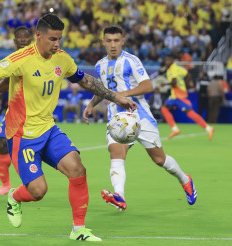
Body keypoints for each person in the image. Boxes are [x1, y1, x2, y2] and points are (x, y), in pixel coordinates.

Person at [0, 14, 136, 242]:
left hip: (48, 129)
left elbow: (85, 80)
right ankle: (14, 197)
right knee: (38, 191)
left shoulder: (61, 58)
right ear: (38, 35)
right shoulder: (22, 58)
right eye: (52, 39)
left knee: (78, 169)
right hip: (22, 135)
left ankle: (78, 229)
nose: (57, 44)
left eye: (59, 39)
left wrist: (116, 97)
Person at [83, 25, 197, 213]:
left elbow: (148, 85)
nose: (113, 45)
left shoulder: (131, 61)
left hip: (140, 116)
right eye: (109, 41)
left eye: (116, 41)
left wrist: (122, 94)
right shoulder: (99, 65)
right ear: (103, 42)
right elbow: (103, 89)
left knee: (159, 159)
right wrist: (91, 105)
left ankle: (185, 179)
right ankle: (119, 196)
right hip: (117, 118)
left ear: (123, 41)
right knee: (116, 154)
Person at [0, 26, 33, 195]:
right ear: (14, 40)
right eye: (20, 37)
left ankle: (33, 183)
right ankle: (5, 184)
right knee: (3, 142)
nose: (23, 39)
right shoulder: (12, 59)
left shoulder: (37, 57)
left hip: (35, 111)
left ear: (31, 39)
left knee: (33, 148)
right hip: (15, 112)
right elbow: (8, 82)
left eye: (26, 37)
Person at [160, 54, 214, 140]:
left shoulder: (171, 70)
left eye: (168, 60)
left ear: (172, 61)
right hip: (178, 93)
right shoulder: (178, 67)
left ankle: (207, 128)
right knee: (165, 108)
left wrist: (165, 84)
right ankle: (175, 129)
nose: (166, 62)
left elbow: (174, 81)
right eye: (166, 60)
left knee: (189, 112)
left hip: (178, 95)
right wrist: (185, 84)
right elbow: (187, 74)